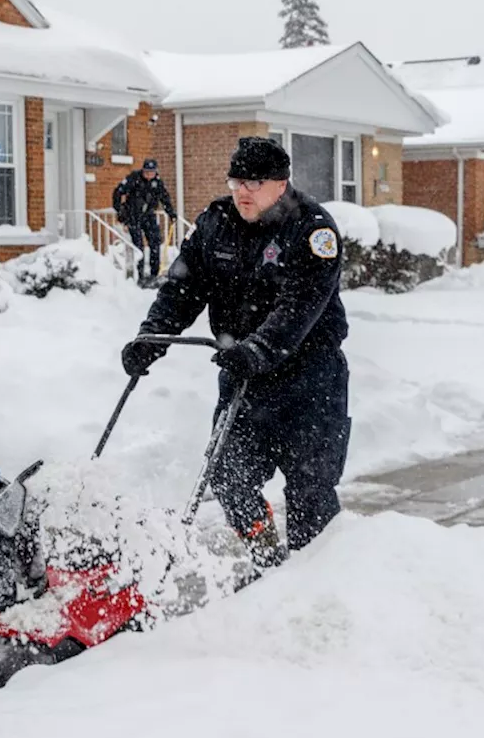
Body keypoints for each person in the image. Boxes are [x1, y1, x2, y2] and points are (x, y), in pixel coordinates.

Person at [120, 137, 351, 570]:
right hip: (245, 379)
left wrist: (259, 349)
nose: (242, 191)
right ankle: (269, 562)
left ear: (281, 184)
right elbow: (183, 288)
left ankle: (314, 585)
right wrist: (152, 337)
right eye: (237, 180)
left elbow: (301, 306)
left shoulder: (312, 229)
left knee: (311, 496)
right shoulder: (216, 222)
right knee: (229, 478)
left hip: (310, 382)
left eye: (255, 182)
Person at [112, 158, 176, 286]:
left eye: (151, 172)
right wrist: (120, 211)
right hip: (133, 216)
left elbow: (165, 198)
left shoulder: (157, 183)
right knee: (138, 246)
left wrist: (171, 213)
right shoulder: (134, 178)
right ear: (143, 170)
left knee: (155, 242)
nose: (149, 175)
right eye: (146, 172)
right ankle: (140, 276)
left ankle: (154, 275)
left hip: (148, 216)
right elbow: (117, 192)